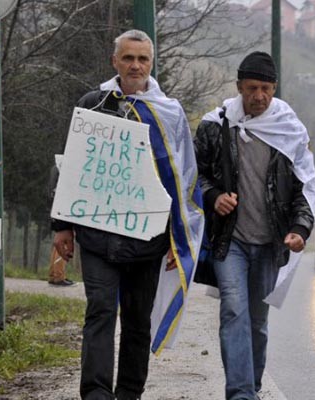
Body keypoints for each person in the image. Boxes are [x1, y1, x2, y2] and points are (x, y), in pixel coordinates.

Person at [52, 30, 203, 400]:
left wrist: (178, 238)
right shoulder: (93, 103)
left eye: (143, 59)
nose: (135, 65)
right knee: (100, 312)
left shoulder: (170, 113)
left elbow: (184, 175)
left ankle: (128, 394)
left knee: (137, 323)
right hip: (98, 236)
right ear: (115, 61)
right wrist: (62, 226)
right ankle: (96, 394)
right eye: (128, 58)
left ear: (152, 64)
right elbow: (70, 167)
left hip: (147, 240)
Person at [194, 51, 315, 400]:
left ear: (274, 88)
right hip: (228, 239)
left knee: (258, 322)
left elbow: (303, 187)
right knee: (233, 310)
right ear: (238, 88)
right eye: (252, 88)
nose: (259, 96)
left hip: (269, 242)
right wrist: (214, 195)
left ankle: (254, 385)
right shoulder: (215, 126)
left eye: (266, 88)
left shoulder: (290, 130)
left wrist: (300, 229)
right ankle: (241, 394)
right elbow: (193, 174)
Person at [48, 164, 74, 286]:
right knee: (63, 243)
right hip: (62, 208)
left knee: (58, 243)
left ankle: (54, 274)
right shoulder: (63, 165)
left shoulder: (56, 166)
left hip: (55, 205)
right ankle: (59, 276)